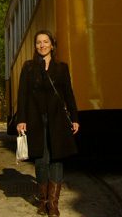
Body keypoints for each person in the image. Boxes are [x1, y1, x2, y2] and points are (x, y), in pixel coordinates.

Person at [16, 30, 80, 217]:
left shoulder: (62, 68)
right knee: (41, 161)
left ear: (52, 45)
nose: (42, 45)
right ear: (35, 46)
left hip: (57, 120)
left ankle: (53, 204)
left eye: (45, 42)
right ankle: (43, 201)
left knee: (56, 159)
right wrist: (21, 119)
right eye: (38, 42)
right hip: (36, 120)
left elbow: (68, 93)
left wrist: (75, 117)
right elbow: (22, 95)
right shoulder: (28, 67)